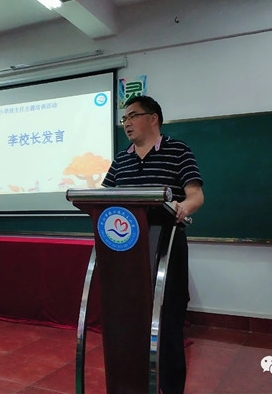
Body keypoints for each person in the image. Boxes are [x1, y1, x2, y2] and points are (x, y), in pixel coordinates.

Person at [102, 95, 204, 394]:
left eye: (132, 116)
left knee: (169, 321)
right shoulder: (121, 159)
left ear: (153, 118)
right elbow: (104, 198)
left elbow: (196, 195)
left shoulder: (177, 150)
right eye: (124, 119)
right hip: (126, 250)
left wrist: (183, 207)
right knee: (129, 321)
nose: (126, 123)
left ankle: (170, 388)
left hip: (167, 243)